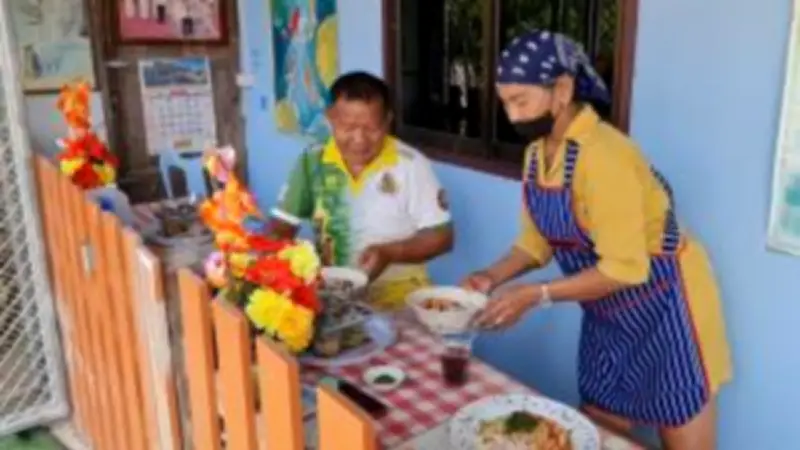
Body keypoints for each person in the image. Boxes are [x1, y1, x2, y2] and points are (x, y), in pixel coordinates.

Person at [461, 30, 732, 449]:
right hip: (607, 311)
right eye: (505, 102)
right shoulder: (538, 154)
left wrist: (536, 295)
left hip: (668, 304)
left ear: (563, 90)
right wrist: (488, 277)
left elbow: (626, 267)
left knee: (680, 429)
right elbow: (536, 243)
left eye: (521, 101)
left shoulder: (605, 155)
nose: (512, 116)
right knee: (598, 434)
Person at [270, 71, 454, 311]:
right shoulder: (311, 161)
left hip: (398, 298)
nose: (359, 139)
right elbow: (282, 226)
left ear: (388, 120)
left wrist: (390, 253)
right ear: (331, 118)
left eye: (371, 128)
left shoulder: (410, 165)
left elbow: (443, 238)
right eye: (348, 127)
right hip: (331, 295)